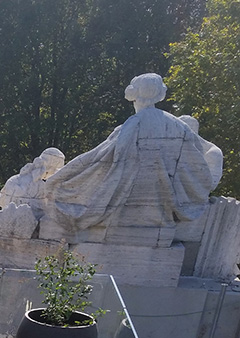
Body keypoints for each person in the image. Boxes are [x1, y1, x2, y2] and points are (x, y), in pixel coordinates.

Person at [40, 73, 222, 245]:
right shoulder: (177, 125)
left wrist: (59, 179)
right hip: (160, 220)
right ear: (160, 95)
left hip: (125, 218)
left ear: (134, 95)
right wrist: (210, 179)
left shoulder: (132, 125)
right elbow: (205, 154)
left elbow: (97, 160)